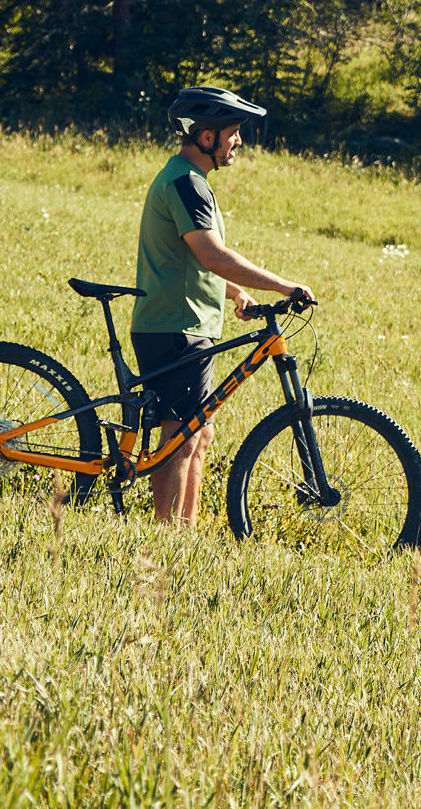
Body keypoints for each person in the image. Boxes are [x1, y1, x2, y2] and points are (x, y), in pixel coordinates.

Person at [132, 86, 313, 528]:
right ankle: (165, 533)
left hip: (184, 319)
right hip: (176, 324)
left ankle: (184, 530)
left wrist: (234, 292)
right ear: (206, 136)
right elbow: (212, 254)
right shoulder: (186, 183)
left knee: (200, 433)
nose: (239, 141)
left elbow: (194, 257)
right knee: (181, 436)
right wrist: (284, 285)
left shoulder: (188, 180)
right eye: (232, 132)